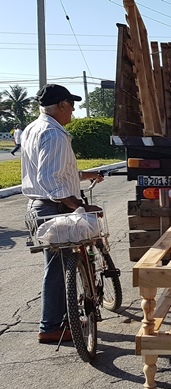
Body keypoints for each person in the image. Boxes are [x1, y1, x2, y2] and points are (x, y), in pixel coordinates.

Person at [21, 84, 105, 344]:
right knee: (59, 269)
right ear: (60, 105)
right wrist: (77, 205)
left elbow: (52, 171)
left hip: (39, 206)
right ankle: (51, 327)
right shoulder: (53, 134)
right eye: (71, 105)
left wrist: (84, 175)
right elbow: (51, 180)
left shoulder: (33, 129)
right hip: (53, 207)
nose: (73, 110)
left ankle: (58, 321)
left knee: (55, 267)